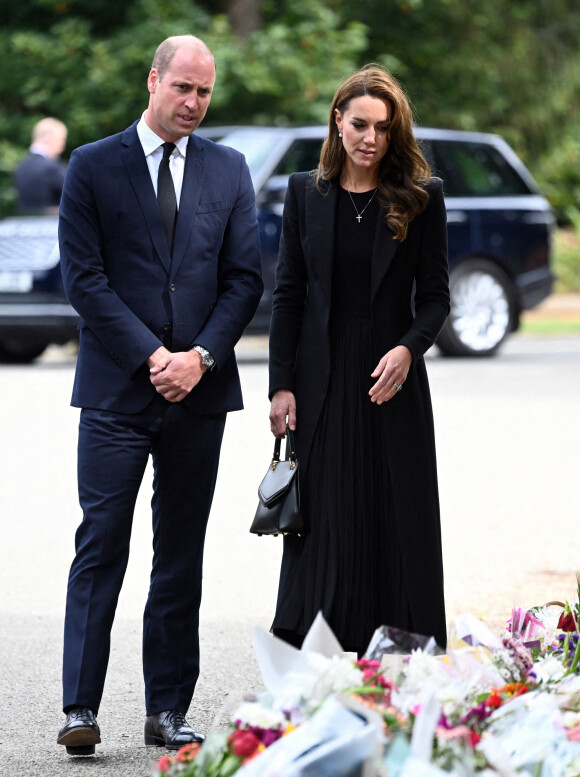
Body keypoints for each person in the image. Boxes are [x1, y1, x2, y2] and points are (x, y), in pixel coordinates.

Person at [56, 35, 263, 756]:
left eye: (204, 92)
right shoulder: (92, 166)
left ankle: (167, 709)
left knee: (180, 554)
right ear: (153, 80)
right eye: (182, 87)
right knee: (102, 543)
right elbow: (83, 279)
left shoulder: (229, 170)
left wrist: (200, 357)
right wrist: (153, 356)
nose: (193, 103)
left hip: (198, 396)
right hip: (116, 392)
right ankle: (80, 705)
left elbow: (245, 279)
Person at [268, 65, 449, 656]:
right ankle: (311, 654)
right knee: (323, 518)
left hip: (390, 380)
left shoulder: (423, 198)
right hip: (320, 381)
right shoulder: (303, 193)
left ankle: (399, 653)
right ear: (338, 123)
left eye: (384, 129)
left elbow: (437, 299)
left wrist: (408, 349)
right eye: (361, 124)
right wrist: (281, 387)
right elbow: (288, 297)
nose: (372, 138)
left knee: (394, 513)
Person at [14, 117, 68, 214]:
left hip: (26, 224)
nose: (63, 146)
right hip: (51, 224)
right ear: (49, 138)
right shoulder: (52, 167)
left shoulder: (21, 165)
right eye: (61, 140)